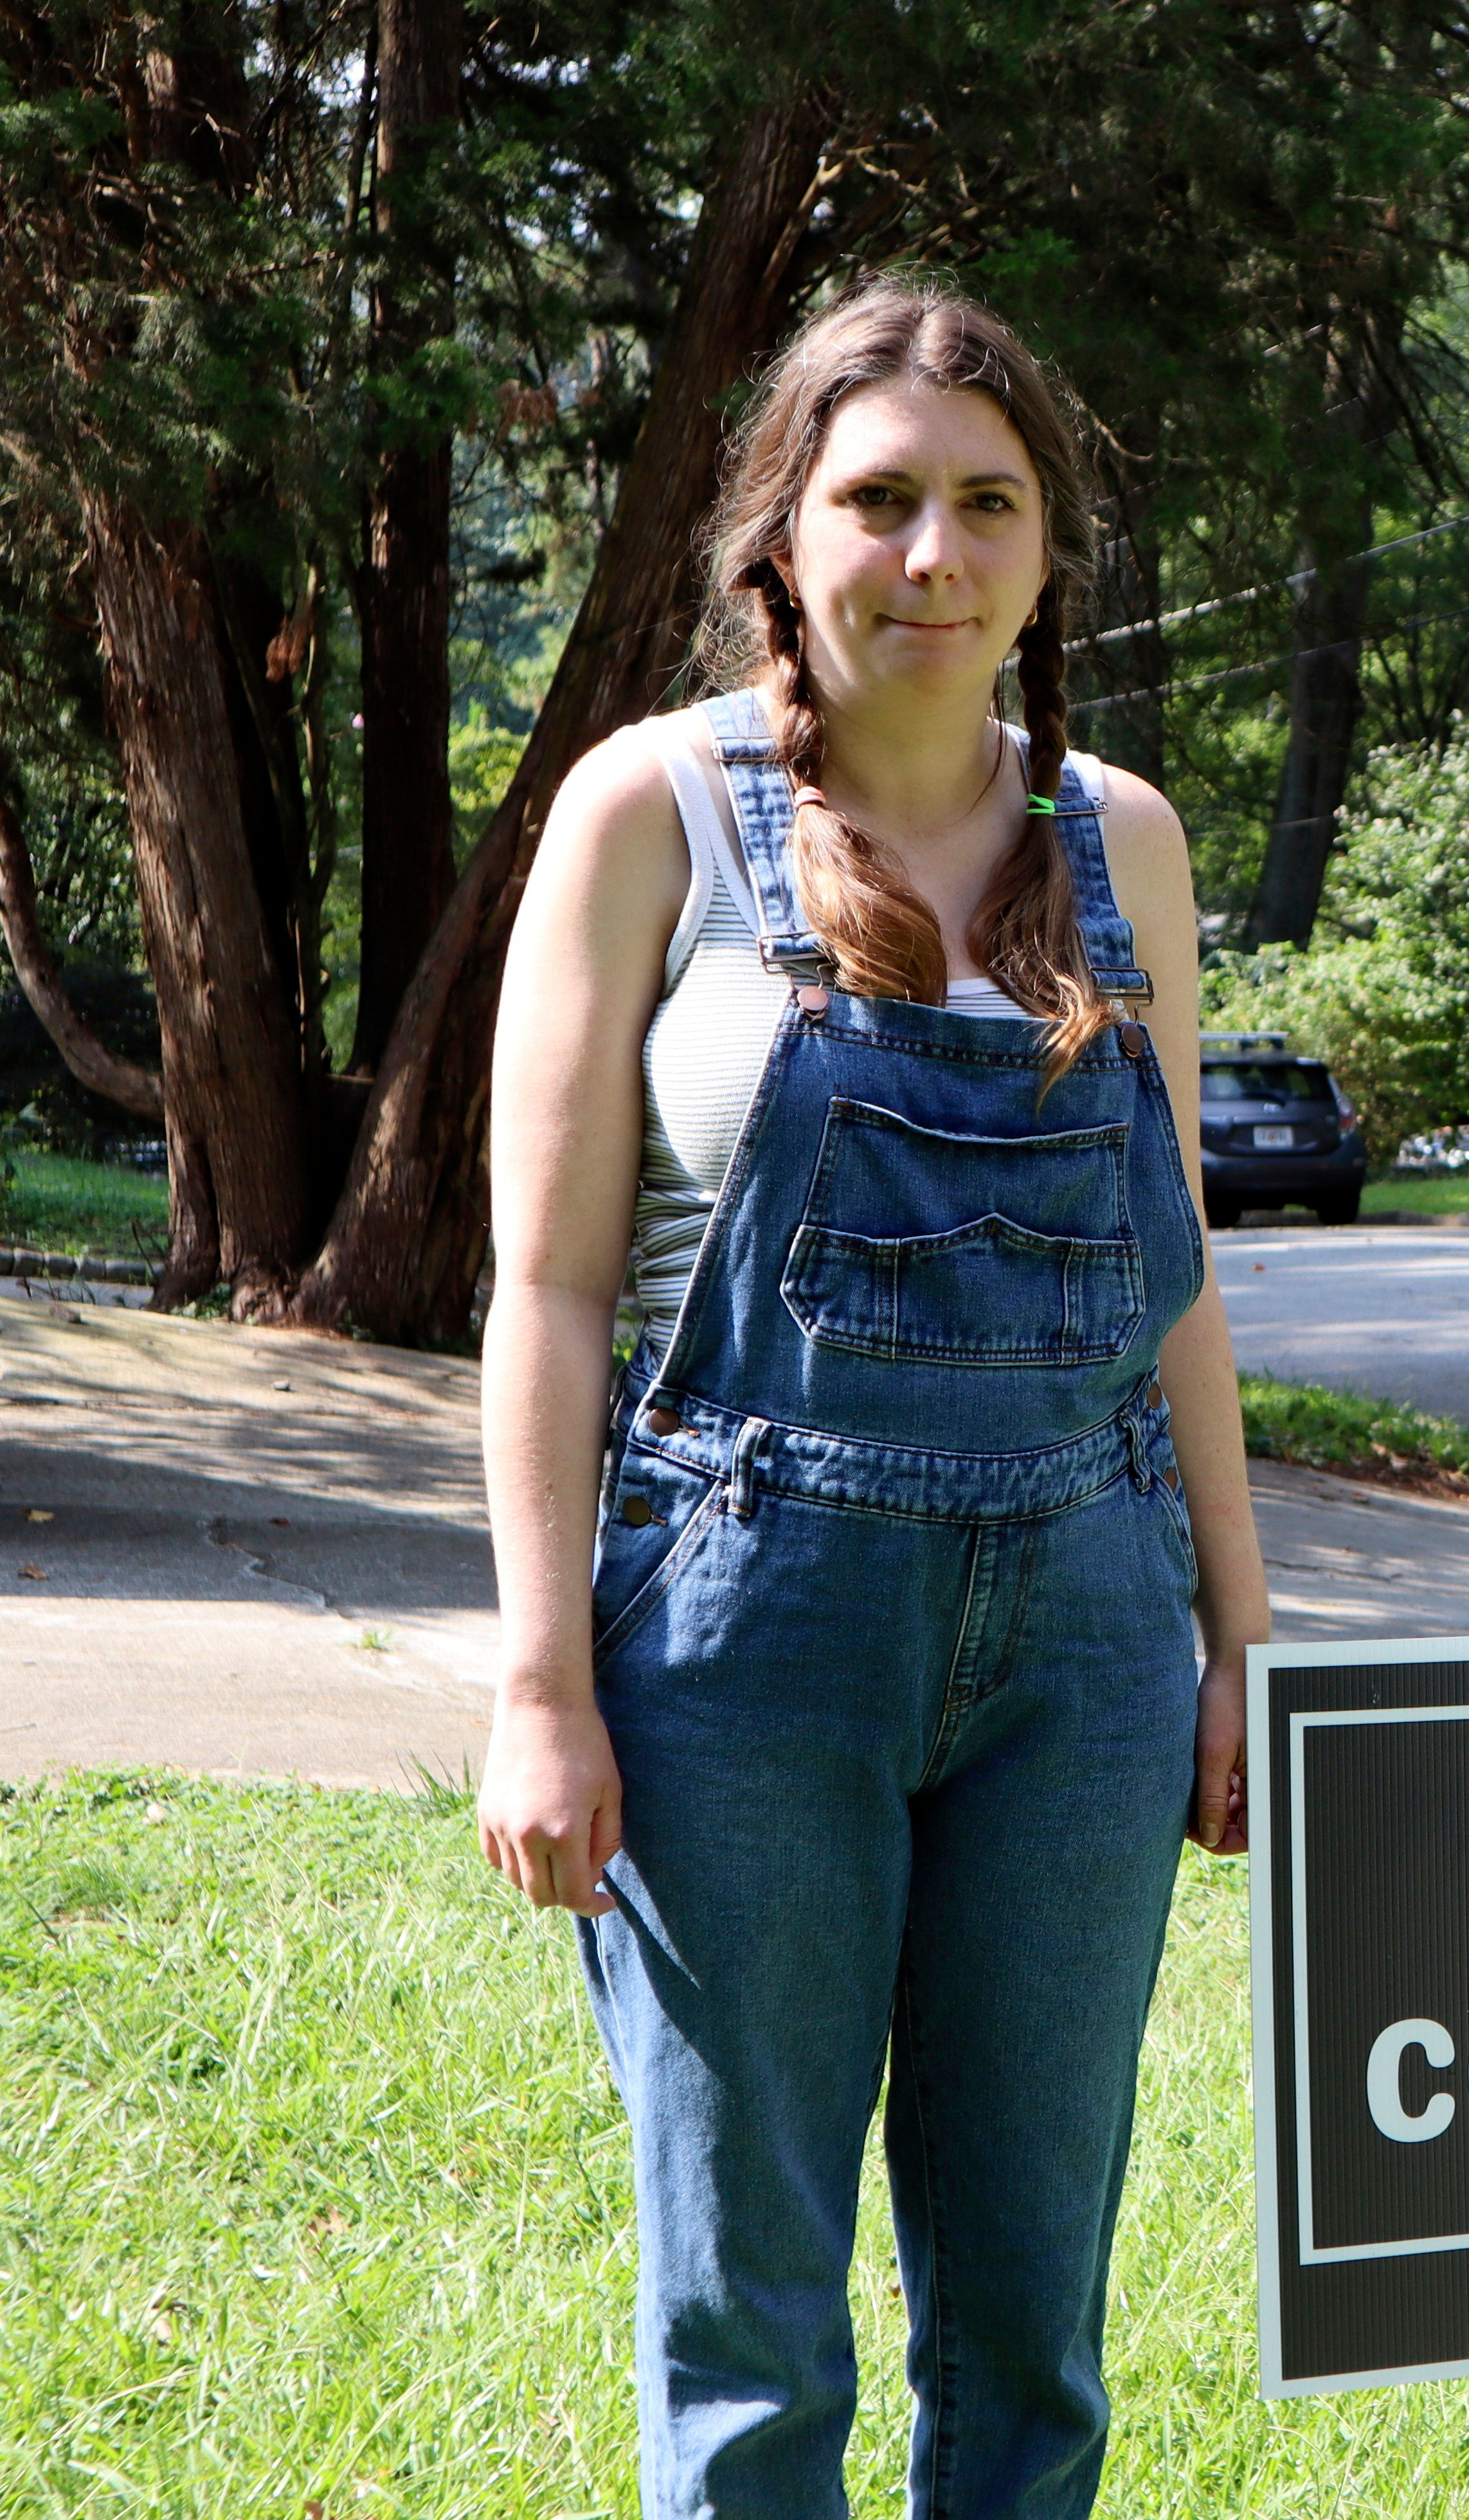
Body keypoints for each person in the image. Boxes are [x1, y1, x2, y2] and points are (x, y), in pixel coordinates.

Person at [472, 273, 1266, 2516]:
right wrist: (542, 1677)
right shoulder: (654, 815)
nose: (936, 556)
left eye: (987, 505)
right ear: (784, 534)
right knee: (751, 2318)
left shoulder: (1128, 843)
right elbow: (538, 1289)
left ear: (1047, 550)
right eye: (884, 499)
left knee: (1034, 2326)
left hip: (1091, 1635)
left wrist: (1244, 1636)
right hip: (746, 1634)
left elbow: (1176, 1274)